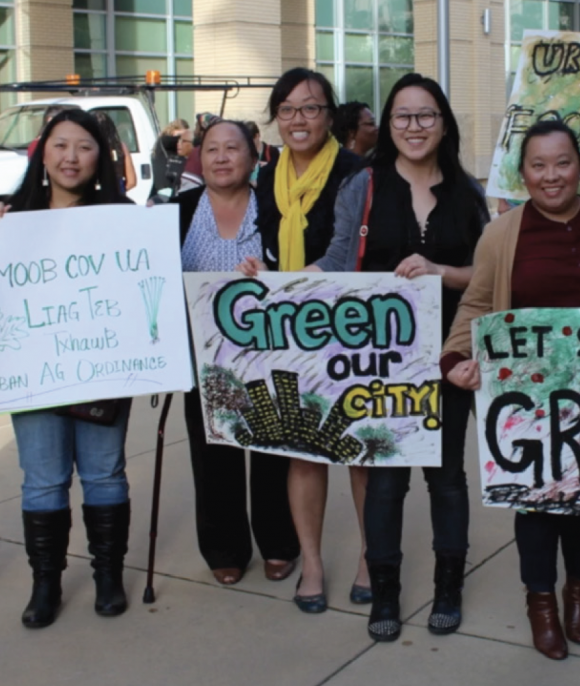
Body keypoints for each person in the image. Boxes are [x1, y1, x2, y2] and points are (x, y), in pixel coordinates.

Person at [443, 120, 580, 659]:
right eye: (538, 166)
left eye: (562, 163)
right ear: (522, 174)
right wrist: (455, 357)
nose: (551, 176)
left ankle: (579, 593)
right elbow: (476, 305)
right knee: (538, 505)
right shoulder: (502, 234)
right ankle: (541, 603)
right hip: (529, 400)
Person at [311, 73, 490, 643]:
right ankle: (384, 588)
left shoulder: (467, 192)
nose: (414, 127)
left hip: (447, 354)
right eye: (403, 117)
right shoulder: (362, 186)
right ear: (388, 126)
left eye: (426, 115)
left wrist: (441, 272)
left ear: (444, 123)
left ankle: (448, 586)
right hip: (378, 360)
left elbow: (485, 279)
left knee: (447, 480)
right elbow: (336, 262)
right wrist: (269, 286)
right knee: (385, 479)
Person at [237, 67, 362, 613]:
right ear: (276, 119)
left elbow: (351, 251)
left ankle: (369, 555)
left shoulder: (358, 172)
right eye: (287, 109)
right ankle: (311, 562)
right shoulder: (266, 177)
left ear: (330, 116)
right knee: (304, 449)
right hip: (287, 332)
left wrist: (298, 283)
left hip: (349, 331)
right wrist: (257, 271)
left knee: (360, 448)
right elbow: (266, 245)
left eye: (311, 108)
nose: (298, 119)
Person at [4, 109, 134, 628]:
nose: (71, 157)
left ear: (99, 156)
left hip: (103, 365)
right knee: (42, 482)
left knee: (104, 473)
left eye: (84, 146)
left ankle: (107, 575)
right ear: (43, 153)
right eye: (61, 145)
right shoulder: (12, 224)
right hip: (34, 373)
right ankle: (45, 583)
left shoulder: (125, 220)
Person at [174, 119, 300, 586]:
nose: (222, 157)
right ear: (199, 157)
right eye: (211, 149)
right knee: (213, 456)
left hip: (267, 355)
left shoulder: (276, 209)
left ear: (254, 155)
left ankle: (279, 543)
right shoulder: (179, 210)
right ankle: (224, 547)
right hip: (202, 359)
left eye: (232, 148)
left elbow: (300, 274)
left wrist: (272, 273)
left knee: (272, 450)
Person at [93, 111, 137, 193]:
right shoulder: (121, 147)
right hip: (117, 199)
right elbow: (131, 182)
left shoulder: (89, 149)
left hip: (94, 200)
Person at [150, 118, 190, 200]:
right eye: (179, 137)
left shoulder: (172, 150)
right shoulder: (164, 142)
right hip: (162, 191)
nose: (179, 141)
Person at [243, 120, 280, 185]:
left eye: (251, 140)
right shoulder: (244, 154)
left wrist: (267, 166)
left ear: (257, 136)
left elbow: (278, 171)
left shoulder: (272, 152)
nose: (248, 144)